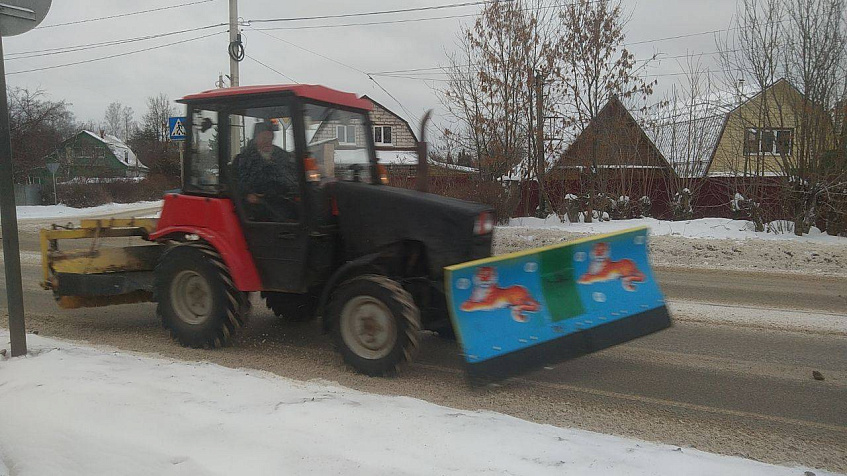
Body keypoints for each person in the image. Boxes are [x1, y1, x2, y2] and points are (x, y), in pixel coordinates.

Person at [234, 121, 299, 221]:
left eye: (270, 138)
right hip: (258, 207)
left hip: (281, 199)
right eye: (264, 138)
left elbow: (292, 174)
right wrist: (247, 195)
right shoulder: (244, 159)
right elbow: (238, 183)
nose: (268, 142)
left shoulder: (282, 155)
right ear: (256, 139)